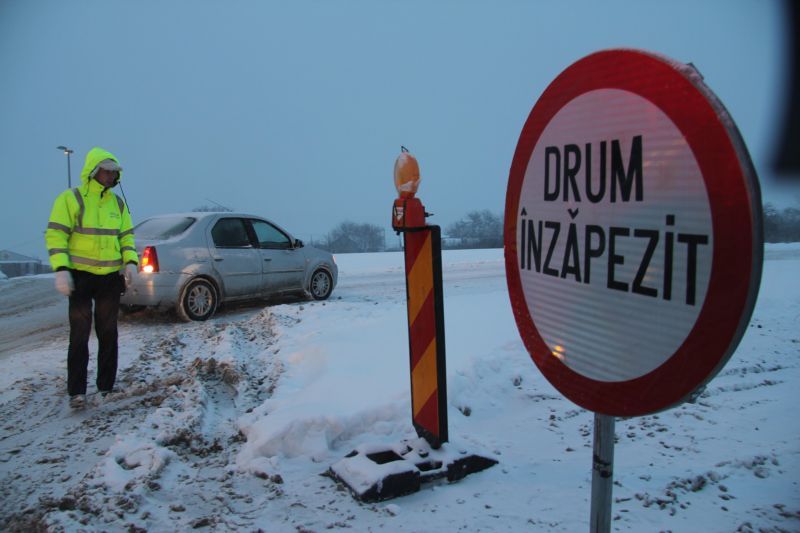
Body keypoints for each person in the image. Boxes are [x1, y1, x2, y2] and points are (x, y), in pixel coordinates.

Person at [45, 147, 139, 410]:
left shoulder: (117, 204)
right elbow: (56, 235)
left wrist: (130, 263)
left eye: (113, 172)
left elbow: (126, 237)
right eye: (106, 171)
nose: (110, 176)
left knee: (108, 333)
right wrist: (61, 268)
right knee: (79, 334)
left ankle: (106, 387)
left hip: (109, 279)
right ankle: (77, 392)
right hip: (81, 278)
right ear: (94, 171)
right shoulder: (70, 199)